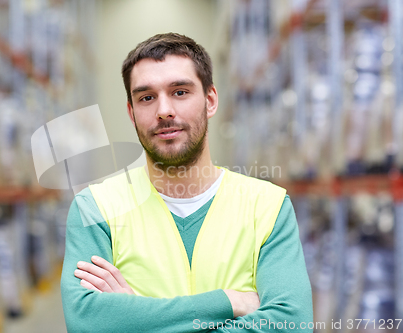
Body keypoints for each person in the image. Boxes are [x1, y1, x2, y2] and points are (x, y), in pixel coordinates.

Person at [61, 33, 313, 332]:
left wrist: (136, 319)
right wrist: (228, 302)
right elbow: (87, 321)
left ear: (210, 101)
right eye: (146, 97)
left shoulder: (268, 207)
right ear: (132, 113)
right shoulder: (95, 210)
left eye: (180, 92)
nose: (164, 110)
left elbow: (292, 323)